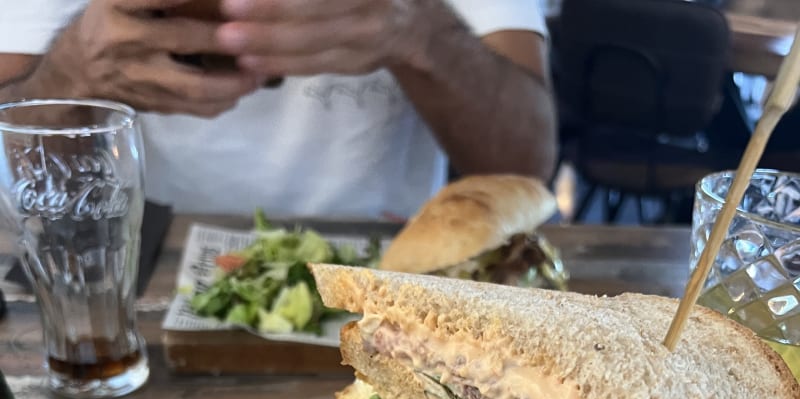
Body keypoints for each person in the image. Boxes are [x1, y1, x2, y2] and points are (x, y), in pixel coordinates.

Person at [0, 0, 558, 220]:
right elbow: (12, 155)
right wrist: (70, 72)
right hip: (138, 268)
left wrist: (424, 32)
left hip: (396, 268)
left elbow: (526, 165)